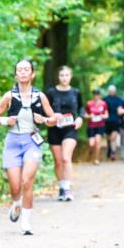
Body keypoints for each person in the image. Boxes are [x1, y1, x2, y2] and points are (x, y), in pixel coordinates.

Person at [0, 59, 57, 235]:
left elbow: (53, 119)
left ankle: (26, 222)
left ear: (32, 74)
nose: (23, 72)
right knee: (15, 187)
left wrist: (44, 120)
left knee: (27, 181)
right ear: (15, 75)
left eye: (26, 69)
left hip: (31, 141)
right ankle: (16, 203)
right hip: (12, 142)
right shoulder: (9, 96)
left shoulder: (40, 96)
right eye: (19, 70)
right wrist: (5, 120)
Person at [45, 65, 84, 201]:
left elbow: (81, 108)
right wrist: (52, 116)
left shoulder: (75, 92)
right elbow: (45, 109)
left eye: (67, 75)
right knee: (58, 161)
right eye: (62, 75)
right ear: (58, 77)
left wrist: (80, 118)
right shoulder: (51, 92)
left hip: (70, 129)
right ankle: (61, 188)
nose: (64, 78)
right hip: (54, 129)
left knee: (66, 158)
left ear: (71, 76)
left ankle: (67, 189)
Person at [84, 89, 108, 164]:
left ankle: (96, 159)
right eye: (94, 95)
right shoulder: (89, 104)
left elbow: (107, 115)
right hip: (91, 126)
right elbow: (85, 115)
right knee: (91, 144)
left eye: (97, 95)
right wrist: (89, 116)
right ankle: (91, 152)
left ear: (99, 96)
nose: (96, 96)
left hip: (100, 125)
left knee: (98, 142)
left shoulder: (103, 103)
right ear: (93, 95)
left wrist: (103, 116)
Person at [104, 85, 123, 160]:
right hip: (107, 121)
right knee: (108, 137)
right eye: (110, 90)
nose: (112, 92)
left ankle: (113, 152)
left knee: (113, 137)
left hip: (116, 120)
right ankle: (109, 148)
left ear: (115, 91)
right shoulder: (105, 99)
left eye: (113, 90)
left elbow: (120, 109)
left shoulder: (119, 99)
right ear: (109, 91)